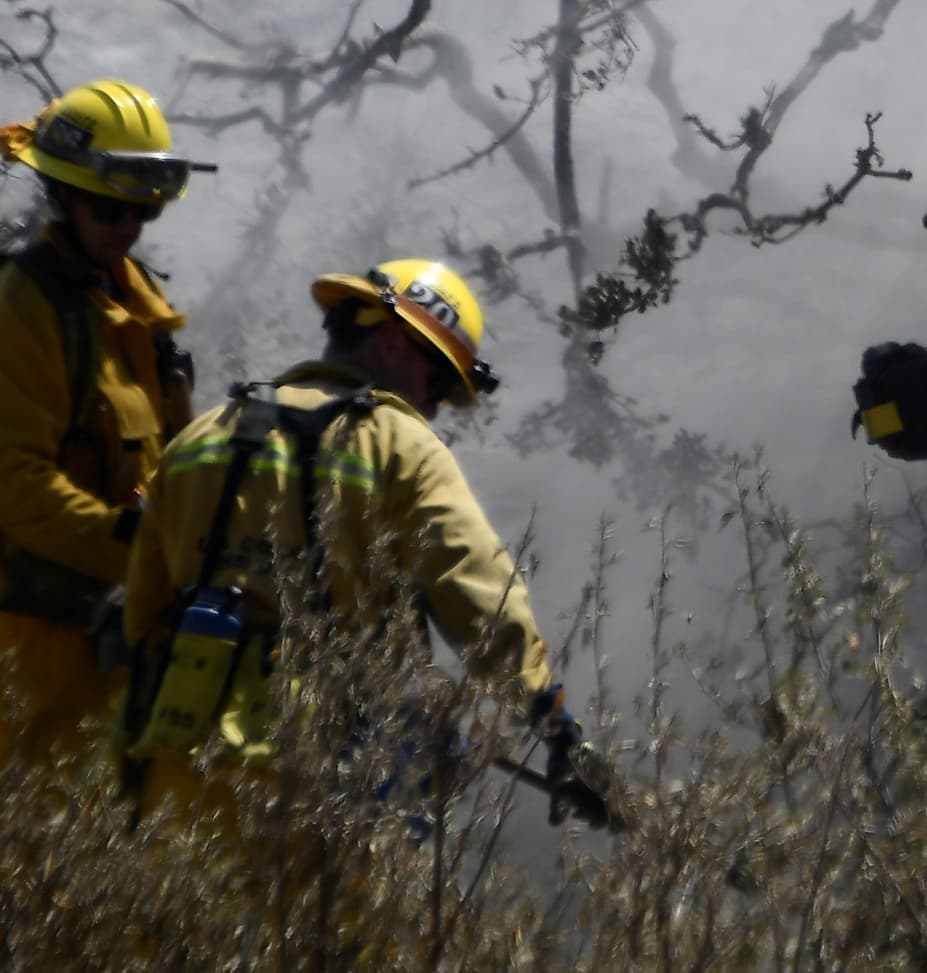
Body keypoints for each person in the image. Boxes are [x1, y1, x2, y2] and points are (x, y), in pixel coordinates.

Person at [120, 257, 589, 826]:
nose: (436, 406)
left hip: (181, 760)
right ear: (394, 342)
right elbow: (480, 597)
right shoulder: (400, 444)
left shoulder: (202, 434)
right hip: (321, 775)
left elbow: (141, 613)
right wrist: (554, 725)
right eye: (438, 381)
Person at [0, 78, 202, 764]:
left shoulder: (135, 310)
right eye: (109, 203)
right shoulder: (23, 307)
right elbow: (17, 490)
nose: (127, 223)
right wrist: (145, 550)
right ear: (62, 192)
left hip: (122, 647)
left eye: (142, 208)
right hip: (35, 653)